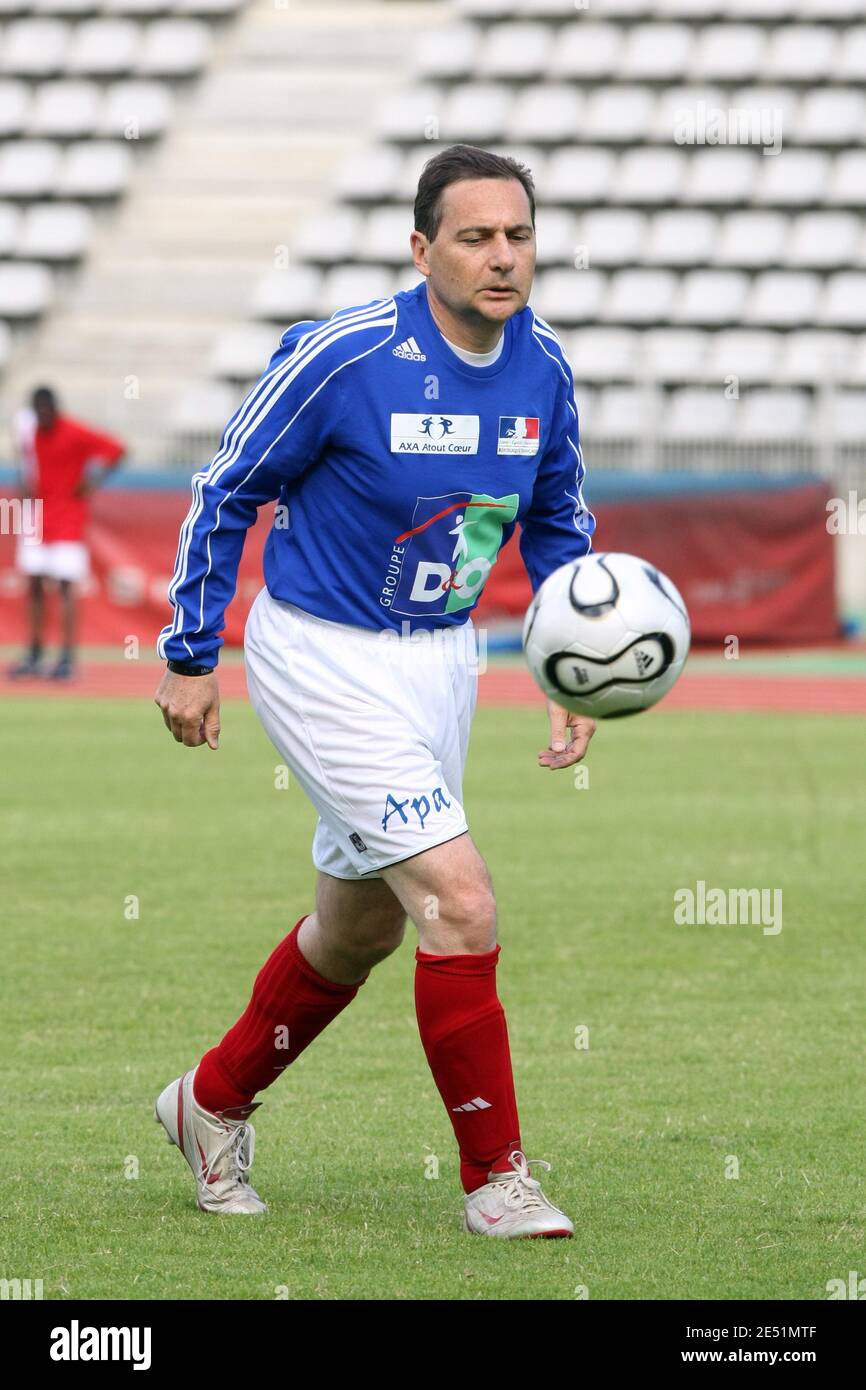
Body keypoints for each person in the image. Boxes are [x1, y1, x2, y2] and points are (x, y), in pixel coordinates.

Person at [153, 144, 597, 1238]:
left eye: (517, 235)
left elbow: (554, 519)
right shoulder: (345, 356)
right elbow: (224, 489)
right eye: (474, 236)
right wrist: (190, 647)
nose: (501, 257)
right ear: (421, 248)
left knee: (357, 931)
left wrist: (567, 656)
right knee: (460, 900)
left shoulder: (542, 365)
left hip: (442, 661)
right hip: (320, 655)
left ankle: (207, 1103)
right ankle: (495, 1176)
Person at [8, 386, 125, 680]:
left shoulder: (74, 431)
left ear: (56, 409)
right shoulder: (28, 431)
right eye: (38, 411)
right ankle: (34, 652)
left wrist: (93, 479)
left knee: (64, 588)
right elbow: (24, 461)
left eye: (47, 410)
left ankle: (66, 658)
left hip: (68, 520)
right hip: (36, 518)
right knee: (34, 585)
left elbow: (117, 449)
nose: (43, 416)